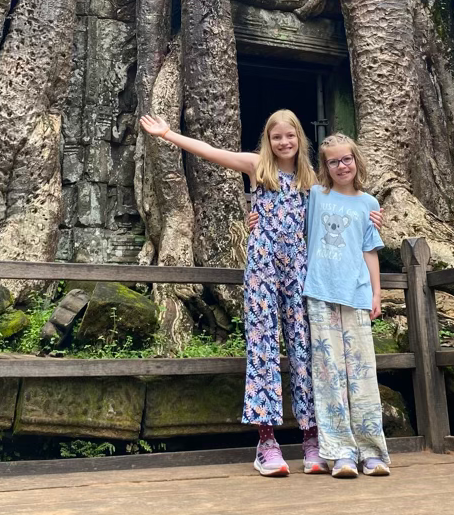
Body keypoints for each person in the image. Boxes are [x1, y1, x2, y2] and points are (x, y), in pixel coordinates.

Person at [139, 108, 324, 477]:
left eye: (290, 136)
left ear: (300, 139)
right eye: (277, 137)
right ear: (268, 141)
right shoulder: (258, 166)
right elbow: (211, 151)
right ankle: (267, 441)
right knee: (263, 344)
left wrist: (370, 215)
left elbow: (336, 210)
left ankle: (311, 436)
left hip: (298, 270)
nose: (284, 142)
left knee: (303, 346)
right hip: (263, 265)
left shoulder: (311, 180)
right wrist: (167, 135)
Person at [304, 132, 391, 479]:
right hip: (321, 291)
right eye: (333, 161)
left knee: (362, 373)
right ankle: (339, 451)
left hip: (355, 292)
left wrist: (377, 293)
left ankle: (371, 451)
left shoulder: (369, 204)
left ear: (356, 160)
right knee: (328, 375)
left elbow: (369, 250)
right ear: (324, 166)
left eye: (346, 159)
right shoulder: (315, 196)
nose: (342, 166)